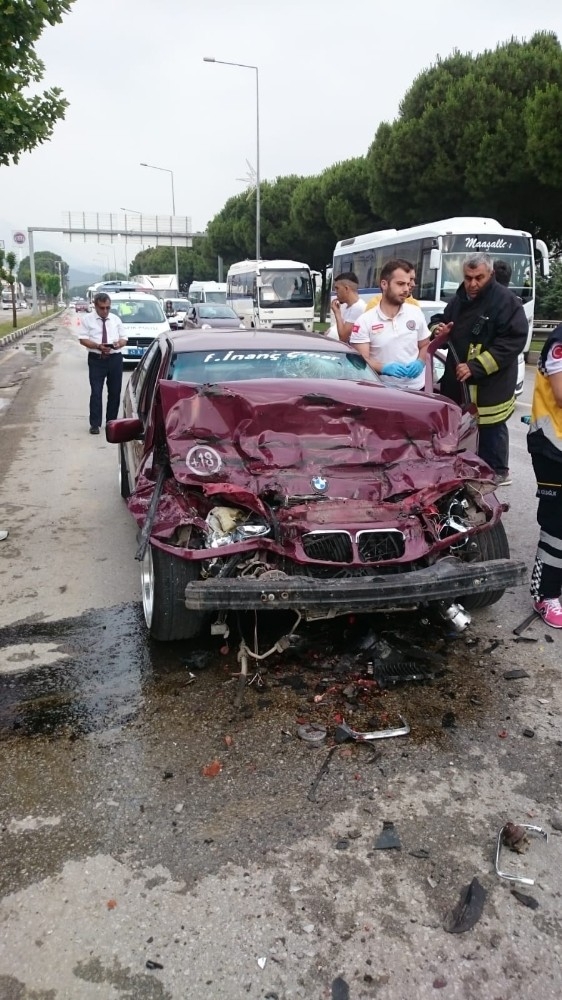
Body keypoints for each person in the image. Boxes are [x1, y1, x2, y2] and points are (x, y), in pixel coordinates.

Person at [435, 252, 528, 486]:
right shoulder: (459, 299)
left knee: (491, 427)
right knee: (464, 427)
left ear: (491, 274)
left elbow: (512, 341)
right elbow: (447, 321)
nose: (473, 284)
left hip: (491, 384)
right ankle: (467, 467)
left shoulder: (506, 302)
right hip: (458, 380)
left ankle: (497, 470)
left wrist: (476, 367)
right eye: (468, 278)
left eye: (479, 278)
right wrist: (438, 328)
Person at [527, 323, 562, 627]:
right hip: (554, 446)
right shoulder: (560, 338)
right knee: (557, 525)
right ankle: (545, 594)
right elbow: (561, 392)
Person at [349, 258, 430, 390]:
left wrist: (420, 362)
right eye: (400, 284)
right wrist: (383, 368)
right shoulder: (365, 321)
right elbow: (360, 360)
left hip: (418, 390)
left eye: (407, 284)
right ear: (384, 284)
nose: (406, 289)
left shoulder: (416, 313)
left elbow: (425, 345)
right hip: (383, 392)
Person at [78, 292, 127, 435]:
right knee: (96, 392)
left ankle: (111, 422)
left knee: (115, 392)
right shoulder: (88, 320)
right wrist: (97, 346)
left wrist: (119, 344)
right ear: (95, 306)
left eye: (107, 308)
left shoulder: (116, 319)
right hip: (96, 360)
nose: (105, 311)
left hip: (115, 359)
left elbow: (124, 338)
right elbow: (82, 339)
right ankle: (95, 424)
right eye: (102, 308)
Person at [327, 271, 366, 342]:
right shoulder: (349, 307)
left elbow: (343, 337)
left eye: (337, 288)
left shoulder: (358, 307)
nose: (335, 292)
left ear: (346, 289)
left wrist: (337, 313)